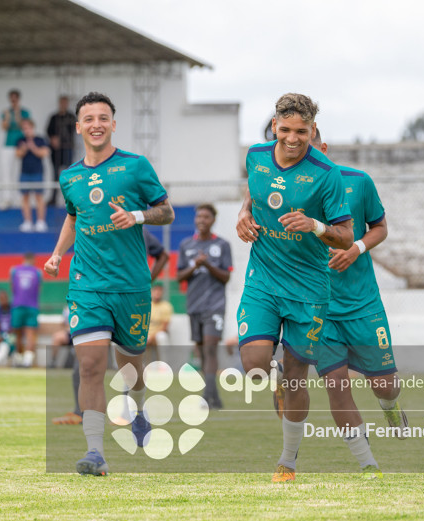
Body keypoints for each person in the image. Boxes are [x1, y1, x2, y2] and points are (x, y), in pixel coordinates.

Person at [44, 91, 174, 476]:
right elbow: (73, 217)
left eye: (104, 118)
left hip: (131, 285)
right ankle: (96, 452)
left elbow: (166, 211)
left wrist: (136, 216)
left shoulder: (135, 166)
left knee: (131, 366)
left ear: (113, 124)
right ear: (79, 127)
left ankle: (137, 410)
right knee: (90, 364)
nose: (96, 124)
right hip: (86, 283)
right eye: (89, 119)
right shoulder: (69, 176)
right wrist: (57, 254)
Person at [235, 93, 353, 482]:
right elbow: (251, 194)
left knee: (296, 377)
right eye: (285, 130)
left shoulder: (327, 174)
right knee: (254, 366)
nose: (292, 138)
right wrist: (243, 215)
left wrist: (315, 226)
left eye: (301, 131)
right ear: (274, 127)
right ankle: (276, 377)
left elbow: (346, 236)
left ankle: (288, 460)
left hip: (308, 288)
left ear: (312, 131)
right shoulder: (255, 156)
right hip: (263, 279)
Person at [309, 128, 407, 479]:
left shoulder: (358, 182)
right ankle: (369, 465)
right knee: (336, 386)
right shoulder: (287, 191)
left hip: (362, 304)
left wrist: (355, 249)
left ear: (322, 147)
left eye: (309, 146)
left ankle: (390, 407)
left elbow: (379, 227)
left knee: (385, 384)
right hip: (319, 308)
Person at [52, 232, 168, 426]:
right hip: (98, 301)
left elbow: (163, 255)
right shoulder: (93, 225)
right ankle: (81, 412)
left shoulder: (139, 229)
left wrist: (145, 282)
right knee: (86, 362)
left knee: (129, 365)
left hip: (129, 300)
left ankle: (131, 411)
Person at [177, 203, 233, 408]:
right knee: (201, 351)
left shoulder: (222, 244)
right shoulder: (186, 245)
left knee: (210, 349)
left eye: (206, 217)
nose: (202, 220)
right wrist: (195, 265)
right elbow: (179, 276)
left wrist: (208, 264)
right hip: (194, 305)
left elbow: (226, 276)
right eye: (199, 217)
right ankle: (215, 398)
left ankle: (205, 396)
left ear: (213, 220)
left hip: (215, 305)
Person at [16, 119, 51, 232]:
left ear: (33, 128)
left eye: (28, 128)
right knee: (25, 197)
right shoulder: (20, 140)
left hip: (37, 172)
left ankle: (41, 221)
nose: (27, 130)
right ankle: (28, 222)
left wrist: (33, 147)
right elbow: (17, 154)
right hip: (24, 172)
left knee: (39, 197)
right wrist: (24, 149)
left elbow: (44, 153)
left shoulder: (40, 140)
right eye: (24, 128)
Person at [0, 89, 31, 209]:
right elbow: (4, 127)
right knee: (6, 172)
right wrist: (8, 116)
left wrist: (17, 113)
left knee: (19, 171)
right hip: (7, 145)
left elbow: (23, 125)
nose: (13, 101)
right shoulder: (6, 112)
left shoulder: (24, 112)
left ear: (18, 99)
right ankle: (7, 198)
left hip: (20, 144)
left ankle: (20, 199)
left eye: (15, 99)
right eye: (11, 99)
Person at [11, 252, 41, 367]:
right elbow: (38, 290)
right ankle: (27, 361)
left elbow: (12, 287)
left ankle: (18, 360)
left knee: (17, 334)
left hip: (17, 305)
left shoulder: (14, 271)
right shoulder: (37, 272)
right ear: (33, 260)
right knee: (30, 335)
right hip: (32, 306)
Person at [47, 96, 77, 207]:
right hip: (56, 151)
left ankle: (70, 199)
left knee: (69, 175)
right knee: (55, 174)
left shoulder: (71, 117)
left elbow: (74, 131)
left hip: (68, 148)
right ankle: (53, 198)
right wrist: (53, 139)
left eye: (65, 103)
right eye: (62, 103)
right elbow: (48, 131)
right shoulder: (54, 117)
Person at [144, 283, 173, 364]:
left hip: (156, 335)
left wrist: (151, 337)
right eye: (155, 290)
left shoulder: (166, 306)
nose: (157, 292)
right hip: (145, 334)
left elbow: (164, 326)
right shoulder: (145, 304)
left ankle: (164, 365)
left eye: (160, 290)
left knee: (162, 337)